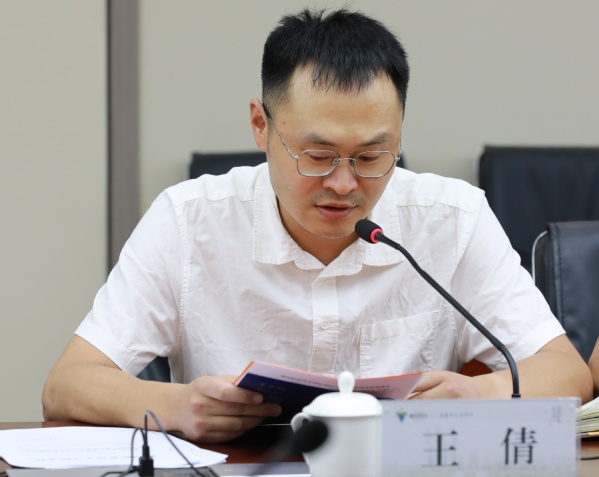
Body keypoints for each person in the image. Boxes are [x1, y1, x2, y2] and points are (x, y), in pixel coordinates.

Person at [42, 8, 592, 443]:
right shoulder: (189, 220)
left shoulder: (453, 219)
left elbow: (566, 373)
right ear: (261, 125)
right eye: (318, 155)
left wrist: (479, 396)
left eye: (372, 156)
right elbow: (67, 384)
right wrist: (174, 405)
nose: (344, 184)